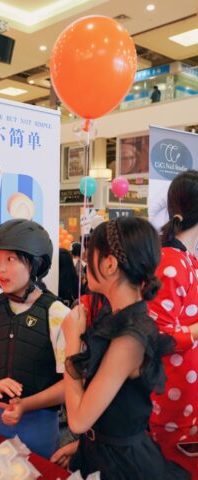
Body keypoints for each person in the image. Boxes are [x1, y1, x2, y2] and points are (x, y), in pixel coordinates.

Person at [55, 217, 189, 479]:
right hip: (101, 452)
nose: (84, 260)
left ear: (109, 263)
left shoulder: (131, 336)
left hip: (123, 466)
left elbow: (79, 420)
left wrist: (72, 339)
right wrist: (86, 443)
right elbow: (110, 403)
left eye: (90, 252)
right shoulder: (115, 318)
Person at [0, 219, 70, 458]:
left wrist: (25, 405)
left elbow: (70, 384)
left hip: (38, 426)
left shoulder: (58, 314)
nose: (0, 269)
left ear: (37, 263)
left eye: (11, 259)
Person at [148, 170, 198, 478]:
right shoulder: (169, 262)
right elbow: (156, 336)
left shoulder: (187, 260)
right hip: (170, 402)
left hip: (186, 398)